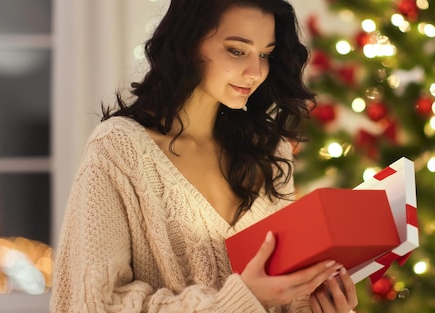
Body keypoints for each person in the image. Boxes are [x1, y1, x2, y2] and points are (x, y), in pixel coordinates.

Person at [50, 0, 359, 312]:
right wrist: (237, 301)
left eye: (265, 54)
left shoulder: (270, 152)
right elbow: (93, 303)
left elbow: (284, 297)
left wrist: (316, 305)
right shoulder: (118, 149)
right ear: (188, 42)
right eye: (237, 50)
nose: (255, 72)